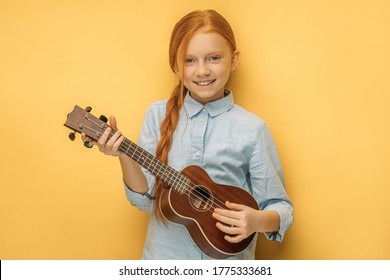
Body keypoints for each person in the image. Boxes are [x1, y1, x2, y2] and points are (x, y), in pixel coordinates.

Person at [82, 9, 293, 259]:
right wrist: (123, 155)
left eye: (214, 58)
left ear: (234, 59)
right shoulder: (157, 115)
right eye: (190, 60)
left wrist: (256, 221)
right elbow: (145, 200)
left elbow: (281, 208)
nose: (202, 71)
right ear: (175, 65)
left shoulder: (252, 129)